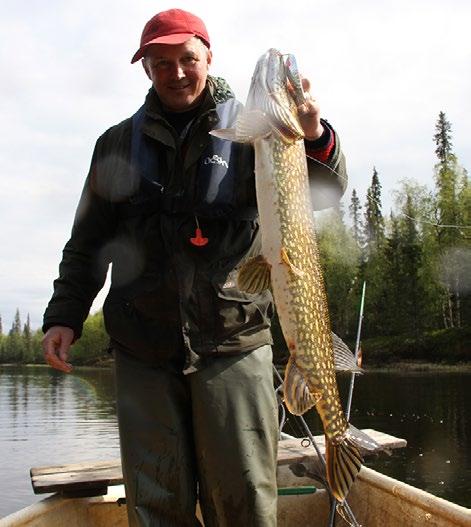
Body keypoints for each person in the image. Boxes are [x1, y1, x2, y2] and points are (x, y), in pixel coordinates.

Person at [42, 8, 347, 527]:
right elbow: (88, 243)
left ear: (209, 56)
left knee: (244, 501)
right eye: (161, 63)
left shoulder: (252, 129)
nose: (177, 72)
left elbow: (321, 191)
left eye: (187, 59)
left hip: (234, 343)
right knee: (156, 503)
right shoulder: (116, 144)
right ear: (146, 68)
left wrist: (315, 134)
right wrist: (64, 315)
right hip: (144, 352)